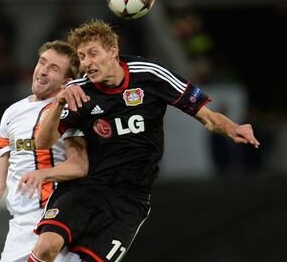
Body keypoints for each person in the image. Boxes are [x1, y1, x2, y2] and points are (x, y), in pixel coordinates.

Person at [31, 20, 260, 262]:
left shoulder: (149, 74)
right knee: (47, 246)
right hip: (86, 188)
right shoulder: (78, 90)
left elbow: (209, 118)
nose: (86, 62)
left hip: (131, 199)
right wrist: (59, 103)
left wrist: (233, 127)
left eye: (93, 53)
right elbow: (42, 142)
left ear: (113, 50)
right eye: (82, 56)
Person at [0, 40, 87, 262]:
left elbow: (80, 165)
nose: (43, 71)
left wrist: (43, 174)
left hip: (55, 223)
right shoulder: (12, 113)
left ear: (66, 82)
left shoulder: (69, 110)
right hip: (19, 227)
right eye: (42, 62)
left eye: (54, 68)